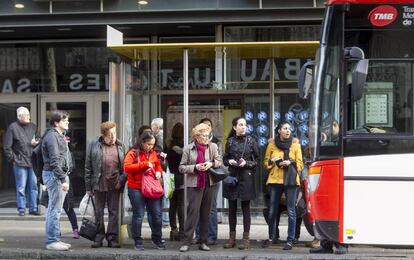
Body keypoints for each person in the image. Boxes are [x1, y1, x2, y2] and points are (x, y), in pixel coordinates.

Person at [178, 123, 222, 252]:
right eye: (203, 136)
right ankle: (186, 242)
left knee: (206, 214)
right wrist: (195, 167)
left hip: (209, 183)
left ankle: (203, 241)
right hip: (194, 184)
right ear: (197, 137)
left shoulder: (212, 146)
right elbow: (181, 167)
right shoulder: (188, 148)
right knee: (193, 213)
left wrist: (211, 163)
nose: (206, 138)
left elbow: (220, 162)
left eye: (208, 136)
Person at [262, 120, 304, 250]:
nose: (287, 131)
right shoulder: (272, 144)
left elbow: (300, 164)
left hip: (291, 180)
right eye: (285, 128)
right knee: (272, 210)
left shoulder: (296, 144)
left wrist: (290, 162)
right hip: (275, 180)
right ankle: (271, 237)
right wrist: (272, 161)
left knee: (291, 210)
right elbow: (265, 163)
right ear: (279, 130)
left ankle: (290, 240)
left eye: (289, 129)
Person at [84, 121, 126, 248]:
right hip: (99, 183)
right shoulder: (94, 145)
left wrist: (121, 181)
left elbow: (126, 168)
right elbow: (88, 166)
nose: (113, 137)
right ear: (103, 135)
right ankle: (98, 237)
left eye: (114, 133)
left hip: (115, 184)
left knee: (114, 212)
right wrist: (88, 187)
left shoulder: (121, 145)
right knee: (99, 212)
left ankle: (112, 238)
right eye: (110, 134)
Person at [124, 132, 165, 251]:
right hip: (136, 187)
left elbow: (158, 165)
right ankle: (137, 241)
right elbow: (127, 167)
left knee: (157, 215)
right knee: (138, 215)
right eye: (149, 144)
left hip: (151, 187)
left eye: (153, 144)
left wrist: (159, 172)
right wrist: (143, 164)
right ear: (142, 142)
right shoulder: (132, 152)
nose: (151, 147)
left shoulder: (153, 153)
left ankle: (157, 239)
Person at [222, 117, 259, 250]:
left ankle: (245, 239)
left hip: (246, 176)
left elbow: (257, 161)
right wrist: (230, 161)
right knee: (231, 208)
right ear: (234, 127)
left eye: (245, 125)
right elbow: (225, 158)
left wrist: (246, 163)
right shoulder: (230, 141)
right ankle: (232, 239)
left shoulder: (251, 141)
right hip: (232, 176)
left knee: (245, 208)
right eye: (241, 125)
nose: (244, 127)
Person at [41, 110, 73, 251]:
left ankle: (55, 239)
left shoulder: (59, 136)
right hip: (55, 176)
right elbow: (54, 161)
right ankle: (52, 241)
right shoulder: (52, 137)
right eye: (64, 120)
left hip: (58, 175)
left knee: (55, 209)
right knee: (54, 210)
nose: (67, 122)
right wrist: (63, 179)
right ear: (56, 123)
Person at [3, 106, 40, 216]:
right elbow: (7, 146)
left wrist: (36, 142)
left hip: (32, 161)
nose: (29, 117)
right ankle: (22, 209)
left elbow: (40, 139)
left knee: (33, 186)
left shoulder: (33, 126)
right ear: (19, 116)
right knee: (21, 187)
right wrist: (13, 159)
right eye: (27, 115)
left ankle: (33, 208)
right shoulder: (12, 127)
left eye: (29, 114)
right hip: (19, 163)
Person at [194, 118, 223, 245]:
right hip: (198, 179)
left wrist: (210, 163)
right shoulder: (193, 144)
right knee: (197, 207)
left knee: (211, 208)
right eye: (203, 126)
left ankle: (211, 236)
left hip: (212, 178)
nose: (206, 127)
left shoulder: (216, 143)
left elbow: (220, 160)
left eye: (209, 126)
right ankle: (199, 235)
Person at [166, 122, 185, 241]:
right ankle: (182, 231)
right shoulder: (185, 147)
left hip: (170, 178)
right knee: (182, 205)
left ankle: (173, 230)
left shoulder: (168, 146)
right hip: (182, 177)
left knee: (172, 205)